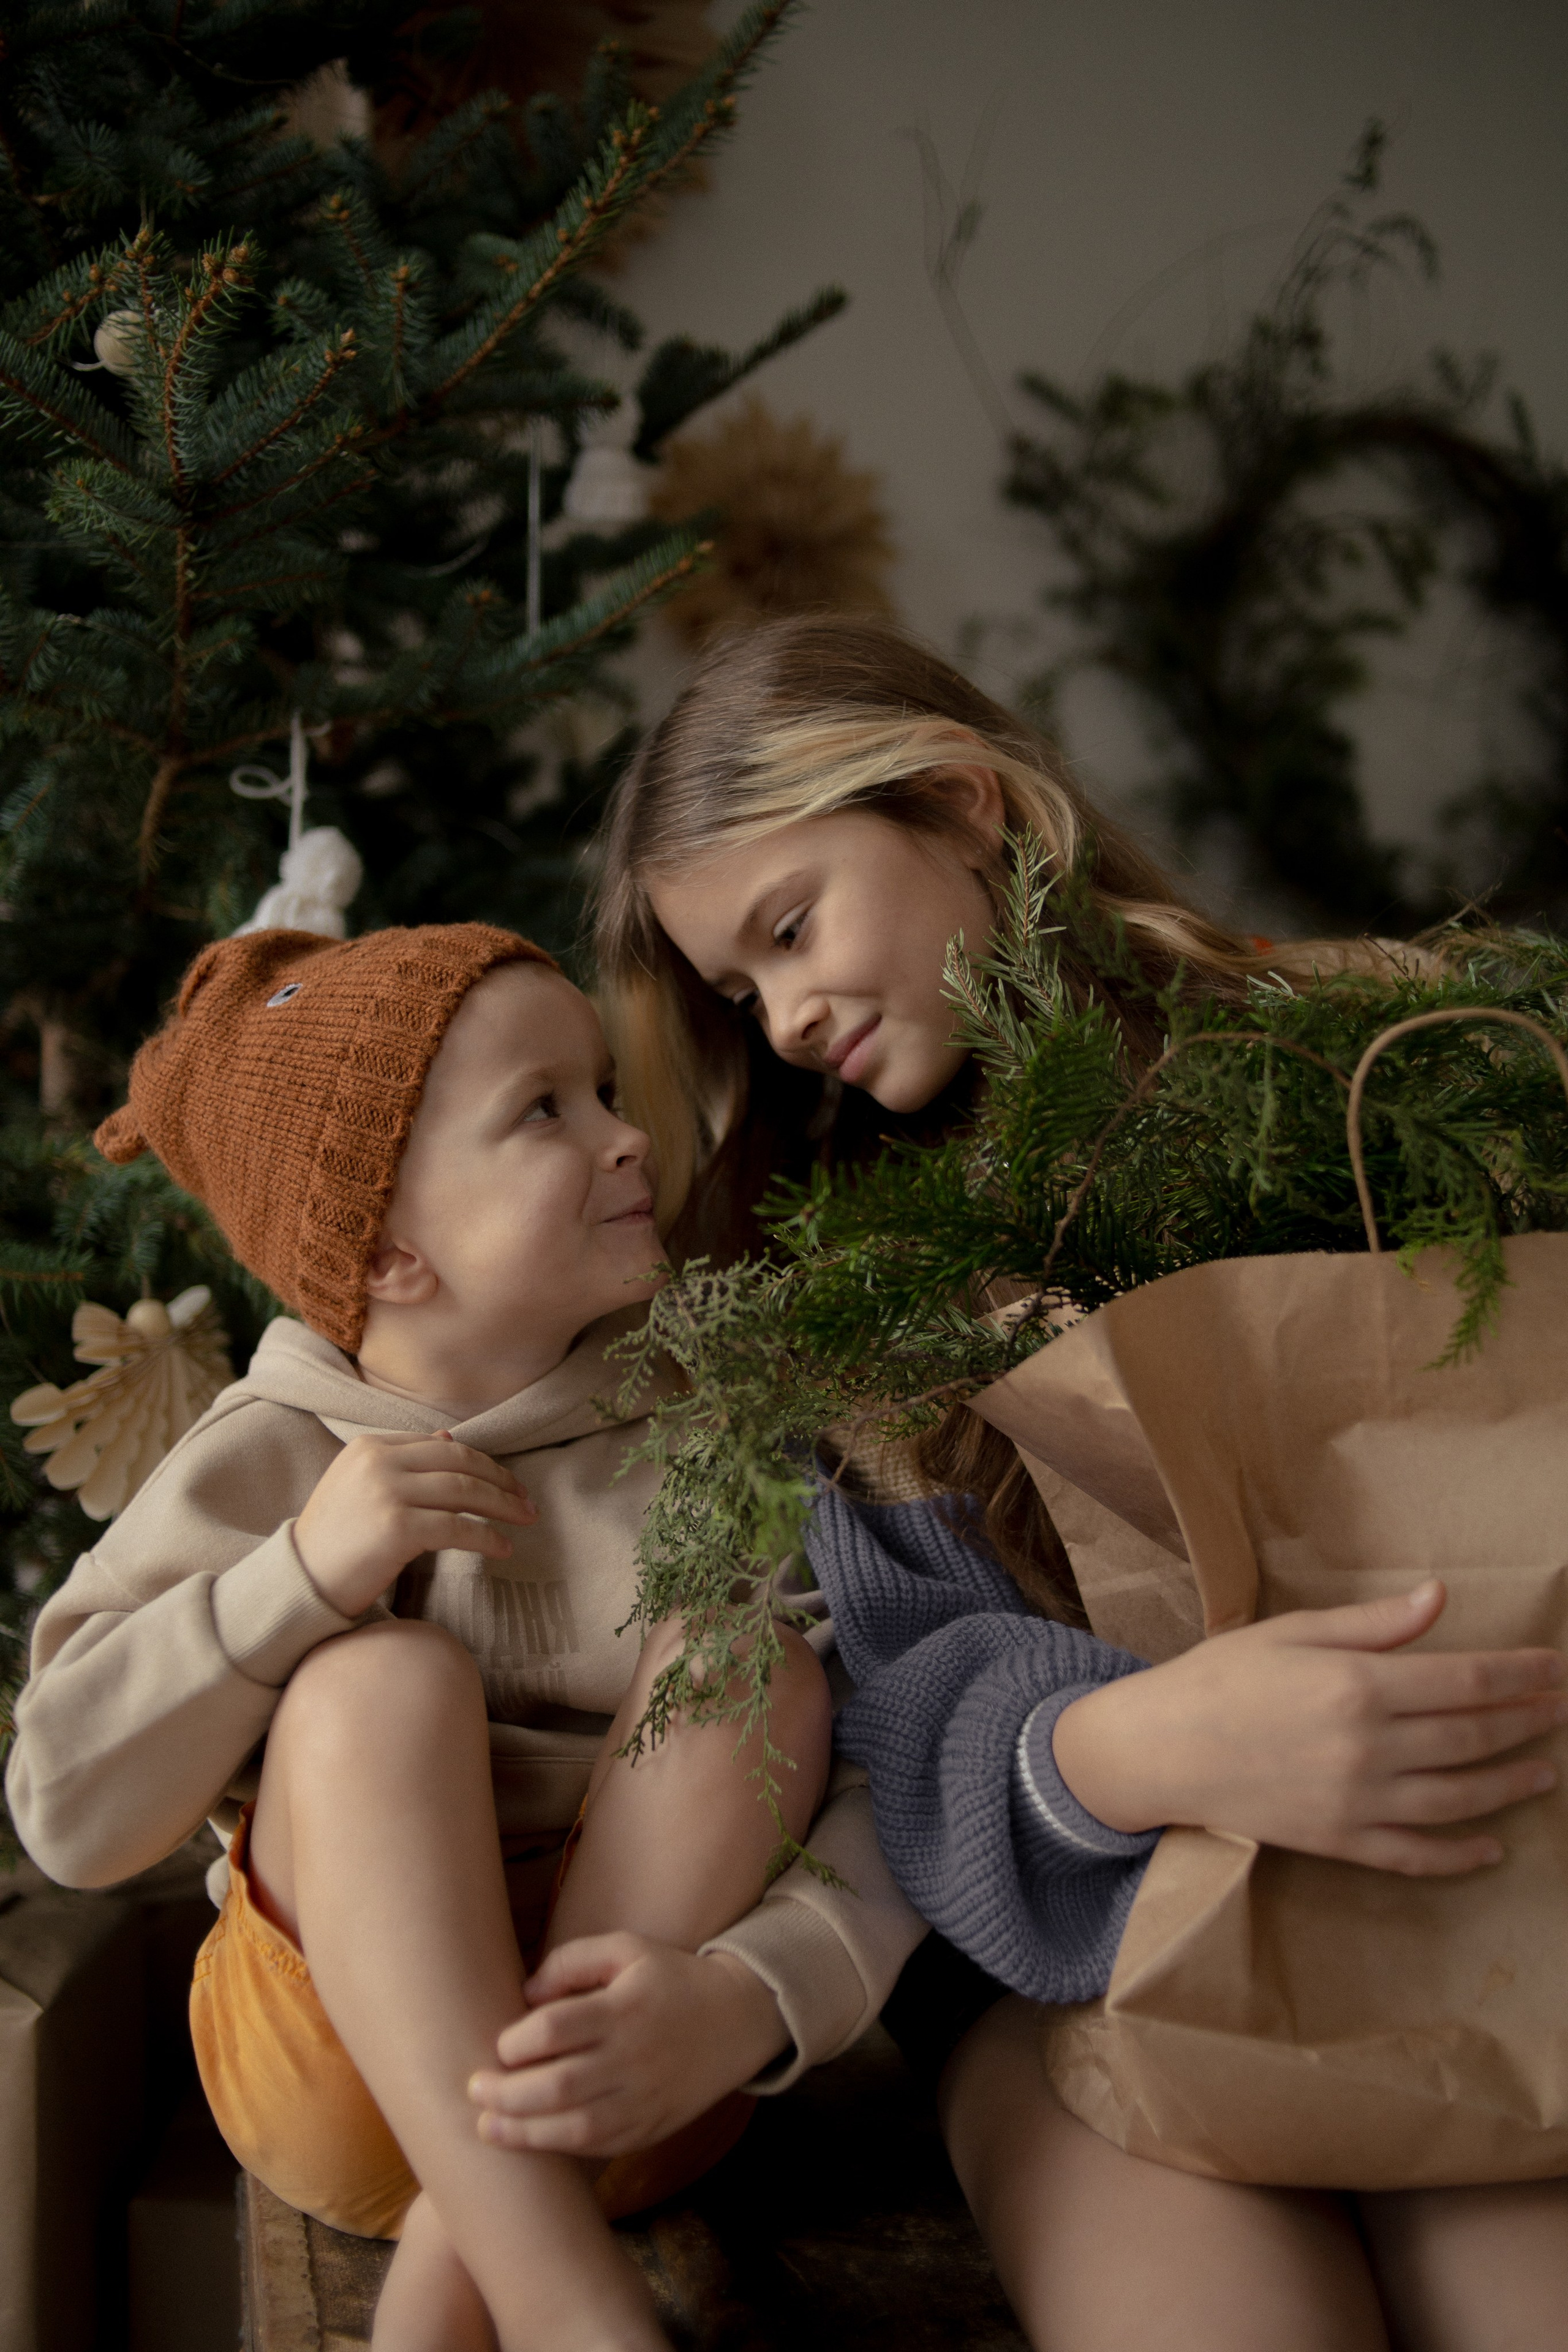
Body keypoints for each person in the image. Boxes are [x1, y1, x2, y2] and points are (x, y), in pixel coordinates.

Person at [591, 614, 1568, 2352]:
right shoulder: (847, 1292)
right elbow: (888, 1717)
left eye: (793, 927)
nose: (786, 1016)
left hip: (1482, 1904)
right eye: (739, 993)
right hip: (1073, 1980)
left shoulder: (1367, 1063)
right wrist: (1133, 1749)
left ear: (963, 803)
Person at [4, 921, 925, 2352]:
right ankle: (565, 2302)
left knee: (750, 1663)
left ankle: (474, 2256)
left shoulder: (705, 1425)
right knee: (374, 1681)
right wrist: (299, 1580)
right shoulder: (265, 1453)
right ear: (387, 1250)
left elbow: (895, 1768)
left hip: (642, 2069)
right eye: (545, 1110)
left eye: (603, 1090)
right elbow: (68, 1814)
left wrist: (743, 1997)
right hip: (328, 2066)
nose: (627, 1137)